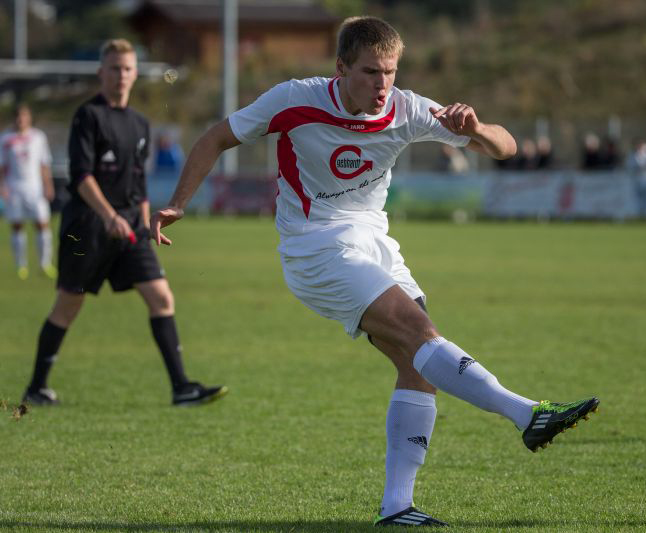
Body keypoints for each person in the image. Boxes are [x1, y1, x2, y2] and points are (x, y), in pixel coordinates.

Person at [151, 17, 599, 527]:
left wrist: (475, 129)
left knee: (419, 366)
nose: (382, 84)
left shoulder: (408, 108)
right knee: (421, 334)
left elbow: (507, 147)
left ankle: (397, 507)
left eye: (390, 71)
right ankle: (526, 414)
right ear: (340, 69)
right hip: (315, 247)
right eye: (370, 72)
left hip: (375, 243)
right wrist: (177, 204)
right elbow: (214, 139)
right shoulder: (294, 99)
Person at [22, 39, 226, 408]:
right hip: (88, 227)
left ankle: (182, 387)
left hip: (130, 227)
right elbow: (82, 176)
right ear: (102, 73)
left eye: (127, 68)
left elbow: (137, 180)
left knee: (161, 296)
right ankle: (36, 387)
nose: (121, 75)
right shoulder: (88, 117)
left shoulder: (140, 123)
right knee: (69, 305)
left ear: (135, 74)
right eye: (114, 68)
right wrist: (109, 216)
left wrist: (148, 219)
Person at [0, 104, 56, 280]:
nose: (21, 119)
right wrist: (2, 186)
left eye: (24, 116)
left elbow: (44, 163)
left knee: (42, 224)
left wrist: (48, 185)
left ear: (29, 118)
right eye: (18, 116)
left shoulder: (38, 137)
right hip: (14, 187)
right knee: (17, 226)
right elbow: (2, 166)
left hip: (35, 188)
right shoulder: (5, 139)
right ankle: (21, 265)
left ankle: (45, 263)